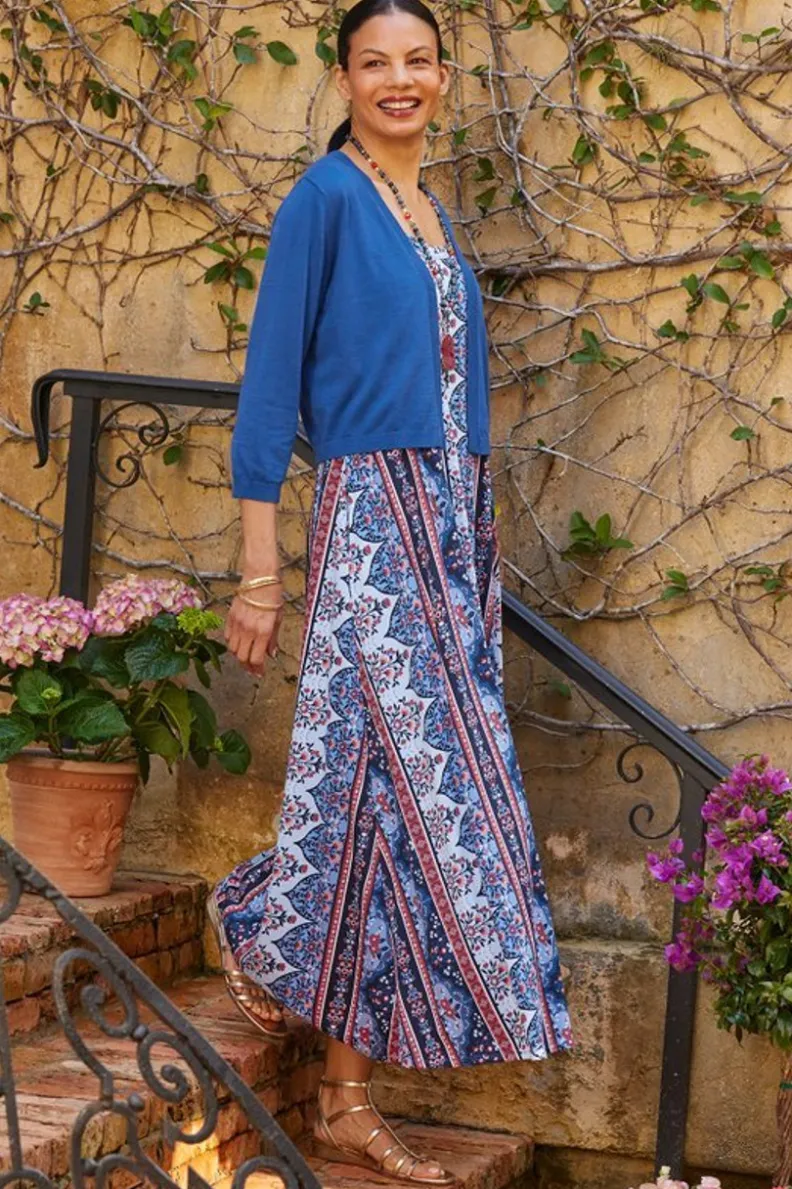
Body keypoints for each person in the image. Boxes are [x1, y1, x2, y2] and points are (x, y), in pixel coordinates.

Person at [209, 0, 573, 1182]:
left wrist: (468, 538)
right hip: (373, 522)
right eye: (377, 63)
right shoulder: (323, 200)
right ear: (345, 79)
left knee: (390, 806)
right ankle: (269, 933)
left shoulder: (434, 213)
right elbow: (272, 388)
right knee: (412, 793)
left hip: (454, 524)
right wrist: (260, 570)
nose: (399, 80)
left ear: (445, 77)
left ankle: (336, 1079)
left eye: (418, 61)